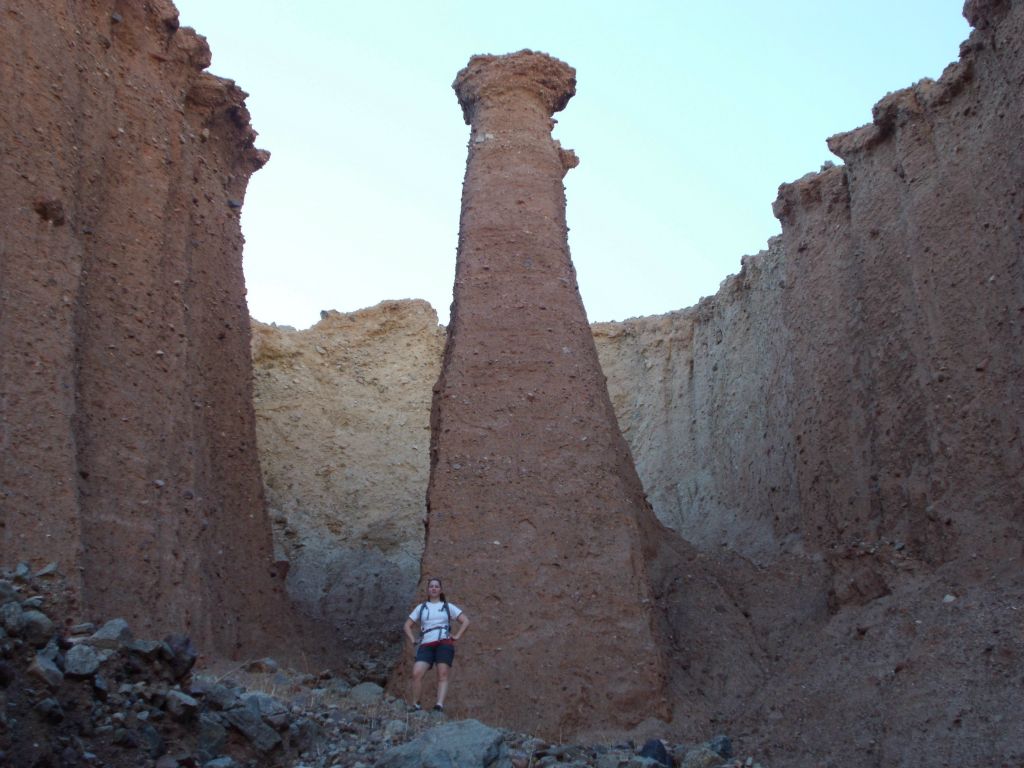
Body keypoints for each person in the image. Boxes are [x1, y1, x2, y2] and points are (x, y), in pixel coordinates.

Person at [403, 577, 469, 712]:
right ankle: (416, 704)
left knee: (442, 674)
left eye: (436, 586)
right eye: (431, 586)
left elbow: (465, 621)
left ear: (440, 589)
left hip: (443, 642)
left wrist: (457, 636)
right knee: (416, 673)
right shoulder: (421, 608)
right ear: (428, 590)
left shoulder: (447, 606)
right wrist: (412, 639)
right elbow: (407, 625)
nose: (433, 588)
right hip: (426, 644)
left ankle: (439, 705)